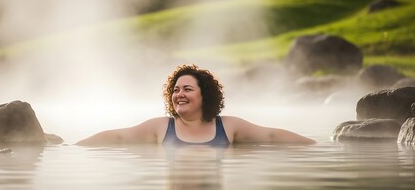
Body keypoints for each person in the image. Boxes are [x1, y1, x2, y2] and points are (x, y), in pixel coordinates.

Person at [76, 64, 316, 146]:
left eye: (187, 89)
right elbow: (117, 138)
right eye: (176, 90)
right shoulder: (160, 128)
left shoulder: (228, 126)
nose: (179, 94)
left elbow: (272, 136)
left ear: (205, 96)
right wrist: (72, 146)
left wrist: (317, 145)